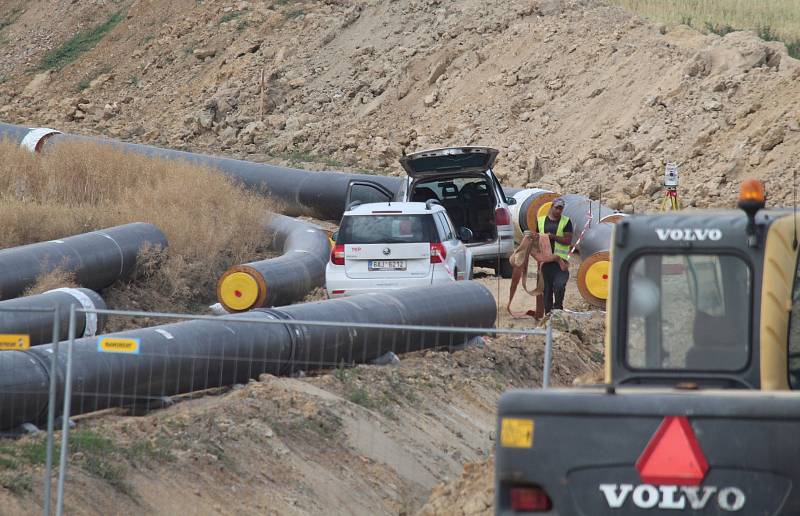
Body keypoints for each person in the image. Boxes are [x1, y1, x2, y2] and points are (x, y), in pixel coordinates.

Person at [537, 197, 573, 314]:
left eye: (561, 209)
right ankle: (548, 314)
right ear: (551, 207)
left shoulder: (566, 222)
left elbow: (568, 240)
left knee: (559, 286)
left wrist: (553, 237)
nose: (558, 211)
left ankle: (558, 310)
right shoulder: (541, 221)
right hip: (545, 263)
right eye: (557, 208)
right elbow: (536, 239)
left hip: (560, 263)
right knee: (546, 291)